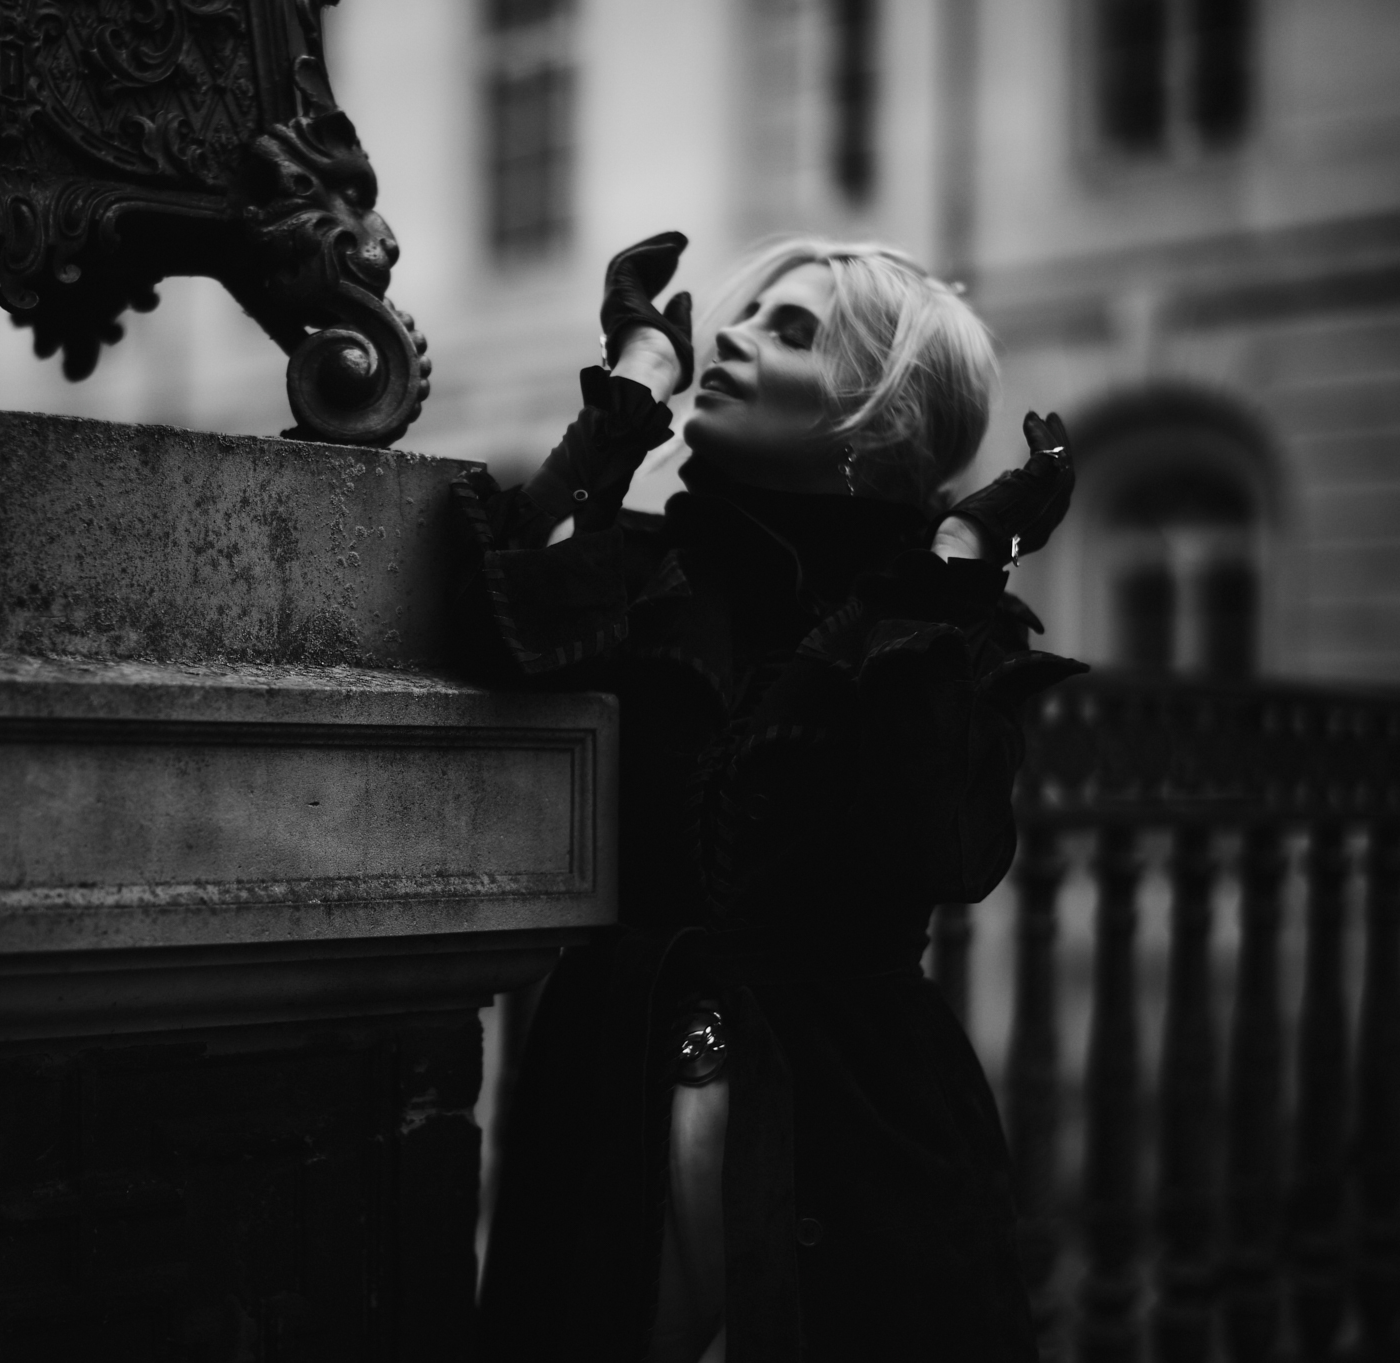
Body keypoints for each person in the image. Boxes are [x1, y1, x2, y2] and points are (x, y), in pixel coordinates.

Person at [455, 233, 1086, 1363]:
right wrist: (637, 380)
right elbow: (487, 619)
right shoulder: (642, 569)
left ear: (880, 421)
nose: (731, 339)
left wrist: (951, 564)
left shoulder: (944, 628)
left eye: (788, 332)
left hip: (856, 1127)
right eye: (742, 319)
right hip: (607, 1098)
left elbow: (941, 849)